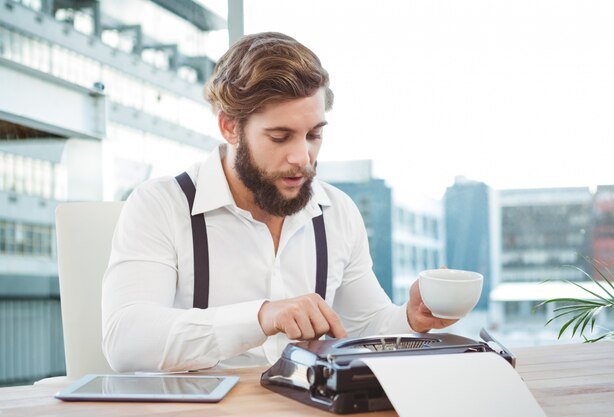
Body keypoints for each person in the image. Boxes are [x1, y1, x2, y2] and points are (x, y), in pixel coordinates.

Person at [102, 32, 456, 372]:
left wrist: (410, 317)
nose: (303, 157)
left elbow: (365, 326)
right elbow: (126, 340)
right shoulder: (160, 205)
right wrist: (261, 316)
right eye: (280, 136)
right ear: (229, 127)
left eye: (314, 135)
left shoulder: (338, 212)